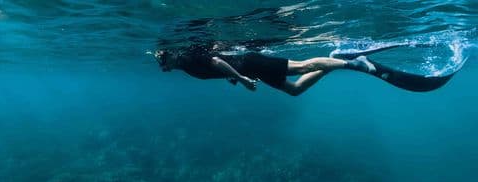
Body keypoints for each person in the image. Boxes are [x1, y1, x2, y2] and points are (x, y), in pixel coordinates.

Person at [154, 43, 461, 95]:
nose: (162, 68)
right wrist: (235, 78)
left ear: (171, 56)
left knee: (303, 65)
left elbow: (217, 62)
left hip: (251, 64)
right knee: (295, 89)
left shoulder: (187, 59)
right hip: (249, 68)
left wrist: (242, 78)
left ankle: (353, 63)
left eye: (162, 62)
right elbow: (218, 65)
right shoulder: (185, 65)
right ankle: (337, 60)